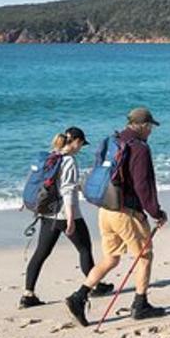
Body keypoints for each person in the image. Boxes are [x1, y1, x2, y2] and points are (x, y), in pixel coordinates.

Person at [65, 107, 168, 325]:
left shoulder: (112, 141)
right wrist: (156, 212)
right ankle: (140, 305)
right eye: (149, 127)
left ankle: (79, 297)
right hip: (126, 213)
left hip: (106, 210)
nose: (151, 131)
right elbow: (143, 185)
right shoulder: (139, 149)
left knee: (111, 258)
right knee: (145, 256)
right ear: (141, 125)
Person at [20, 127, 113, 308]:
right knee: (84, 248)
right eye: (81, 144)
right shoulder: (69, 161)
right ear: (76, 141)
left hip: (47, 212)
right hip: (65, 214)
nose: (81, 148)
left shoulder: (50, 156)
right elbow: (67, 191)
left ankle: (27, 295)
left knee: (41, 252)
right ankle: (94, 286)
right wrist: (71, 219)